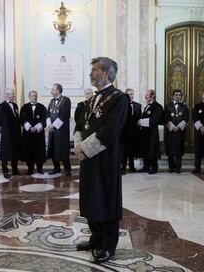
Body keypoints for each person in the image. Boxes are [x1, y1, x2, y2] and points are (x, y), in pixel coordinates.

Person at [74, 57, 128, 263]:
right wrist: (78, 146)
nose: (91, 73)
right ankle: (96, 237)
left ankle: (108, 244)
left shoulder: (119, 98)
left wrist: (85, 150)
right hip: (87, 159)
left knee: (106, 199)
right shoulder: (92, 99)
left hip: (104, 158)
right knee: (90, 198)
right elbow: (79, 124)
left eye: (94, 70)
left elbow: (111, 131)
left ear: (106, 73)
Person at [0, 88, 22, 179]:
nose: (14, 95)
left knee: (15, 151)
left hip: (16, 133)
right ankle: (5, 170)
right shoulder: (1, 106)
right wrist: (3, 132)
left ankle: (15, 169)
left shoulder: (15, 105)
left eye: (13, 94)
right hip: (7, 134)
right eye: (12, 94)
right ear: (7, 95)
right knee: (6, 152)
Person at [46, 83, 72, 176]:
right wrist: (49, 125)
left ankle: (67, 169)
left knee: (63, 149)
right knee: (53, 148)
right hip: (52, 130)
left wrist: (53, 126)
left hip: (61, 130)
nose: (51, 91)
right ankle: (56, 168)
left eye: (53, 89)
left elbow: (64, 115)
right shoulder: (52, 101)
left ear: (58, 90)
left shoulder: (66, 100)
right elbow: (48, 114)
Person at [20, 90, 47, 175]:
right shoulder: (24, 107)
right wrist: (30, 128)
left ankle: (40, 168)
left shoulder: (42, 107)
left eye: (35, 95)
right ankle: (30, 169)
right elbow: (22, 119)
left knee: (39, 151)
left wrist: (36, 128)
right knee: (29, 151)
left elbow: (44, 119)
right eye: (32, 96)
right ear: (29, 97)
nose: (34, 97)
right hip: (28, 134)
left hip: (38, 134)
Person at [138, 89, 163, 174]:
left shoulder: (158, 106)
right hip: (145, 133)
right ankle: (146, 166)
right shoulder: (147, 106)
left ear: (152, 96)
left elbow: (154, 120)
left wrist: (140, 122)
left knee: (152, 150)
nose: (145, 97)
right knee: (145, 149)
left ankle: (154, 167)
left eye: (147, 95)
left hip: (152, 133)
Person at [164, 89, 188, 173]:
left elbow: (186, 118)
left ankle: (178, 168)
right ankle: (171, 168)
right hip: (170, 132)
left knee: (179, 151)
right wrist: (172, 127)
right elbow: (166, 118)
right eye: (176, 95)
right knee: (170, 151)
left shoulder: (184, 106)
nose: (178, 96)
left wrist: (179, 127)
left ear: (181, 96)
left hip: (180, 132)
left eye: (179, 95)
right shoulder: (167, 106)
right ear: (173, 96)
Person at [120, 88, 141, 173]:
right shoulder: (122, 106)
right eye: (129, 94)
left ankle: (132, 166)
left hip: (134, 132)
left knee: (132, 150)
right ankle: (123, 167)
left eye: (132, 94)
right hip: (124, 132)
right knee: (124, 151)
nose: (131, 96)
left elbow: (140, 118)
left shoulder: (138, 106)